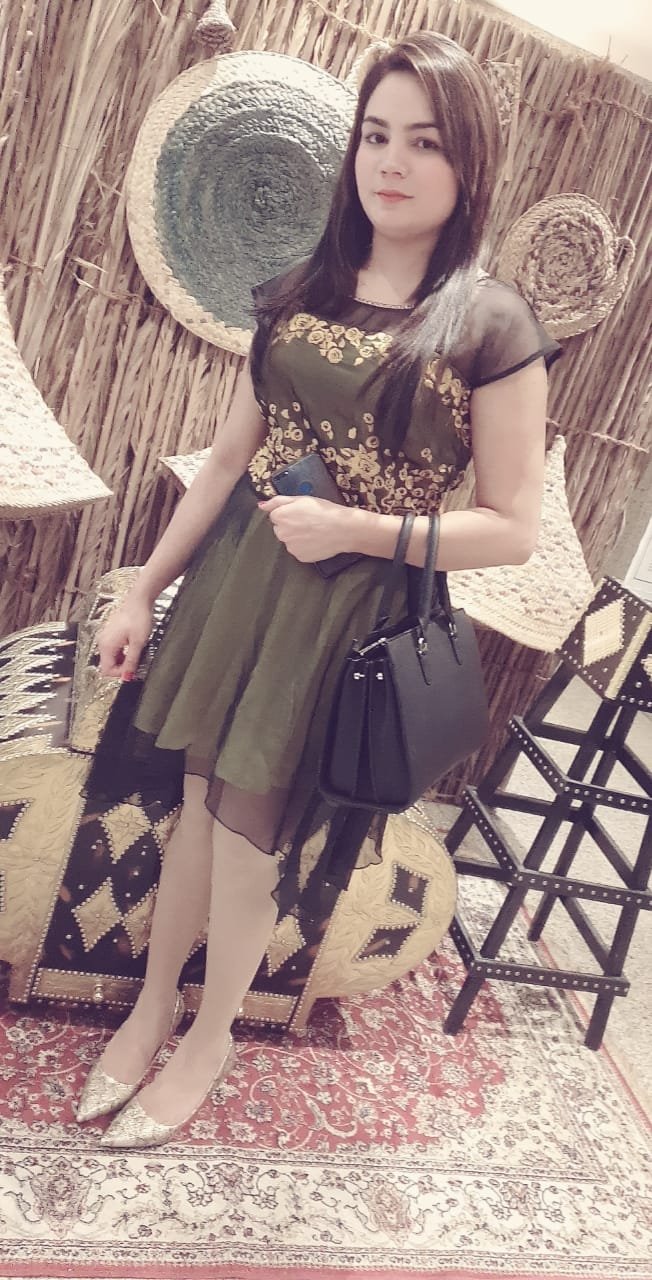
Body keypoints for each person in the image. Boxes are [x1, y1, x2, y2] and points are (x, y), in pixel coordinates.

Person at [76, 31, 560, 1148]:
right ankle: (154, 1006)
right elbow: (224, 459)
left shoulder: (491, 326)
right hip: (240, 580)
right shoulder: (306, 288)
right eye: (375, 136)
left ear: (469, 162)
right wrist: (143, 587)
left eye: (424, 142)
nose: (391, 162)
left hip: (346, 607)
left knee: (250, 832)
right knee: (198, 803)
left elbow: (512, 528)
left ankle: (211, 1037)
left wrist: (358, 527)